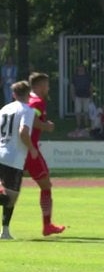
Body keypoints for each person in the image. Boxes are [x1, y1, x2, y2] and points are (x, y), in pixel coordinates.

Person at [24, 72, 66, 236]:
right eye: (47, 85)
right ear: (40, 85)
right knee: (46, 184)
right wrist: (45, 126)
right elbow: (30, 119)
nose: (48, 88)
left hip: (18, 148)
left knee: (10, 186)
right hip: (30, 148)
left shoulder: (26, 100)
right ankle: (47, 225)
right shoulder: (37, 102)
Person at [0, 81, 38, 239]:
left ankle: (6, 232)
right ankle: (5, 231)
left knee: (8, 196)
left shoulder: (4, 109)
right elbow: (23, 132)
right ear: (28, 94)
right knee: (10, 198)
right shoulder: (27, 110)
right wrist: (32, 149)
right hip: (13, 158)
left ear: (14, 94)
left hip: (0, 152)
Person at [71, 65, 92, 131]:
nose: (81, 68)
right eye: (79, 67)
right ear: (77, 68)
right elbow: (72, 87)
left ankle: (86, 125)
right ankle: (78, 125)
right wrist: (73, 95)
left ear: (84, 68)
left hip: (87, 96)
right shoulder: (75, 76)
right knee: (78, 112)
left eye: (82, 67)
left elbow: (91, 87)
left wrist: (91, 96)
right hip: (78, 96)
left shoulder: (88, 76)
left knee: (86, 111)